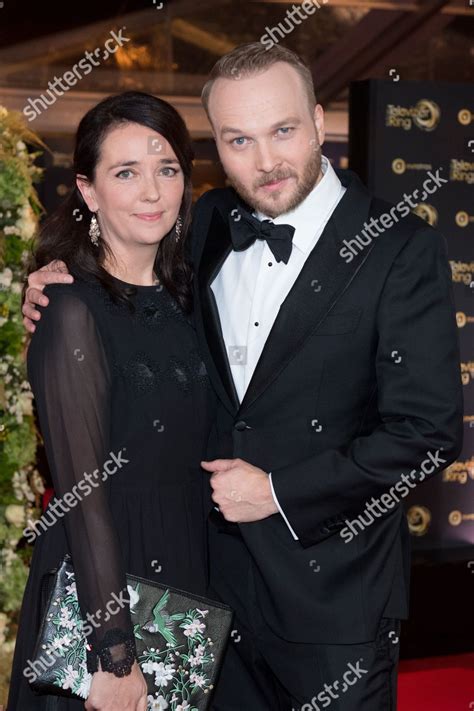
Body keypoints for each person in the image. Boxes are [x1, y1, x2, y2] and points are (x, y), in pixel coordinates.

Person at [23, 44, 464, 711]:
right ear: (217, 148)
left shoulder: (399, 249)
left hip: (332, 611)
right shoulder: (207, 226)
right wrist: (52, 291)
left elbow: (428, 433)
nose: (265, 161)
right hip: (205, 606)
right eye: (239, 140)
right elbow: (123, 310)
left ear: (318, 123)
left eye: (282, 130)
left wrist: (279, 492)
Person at [9, 91, 215, 711]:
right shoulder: (68, 307)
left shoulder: (192, 297)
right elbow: (83, 491)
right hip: (105, 584)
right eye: (125, 173)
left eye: (166, 169)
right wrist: (114, 651)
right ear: (88, 190)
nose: (151, 192)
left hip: (188, 577)